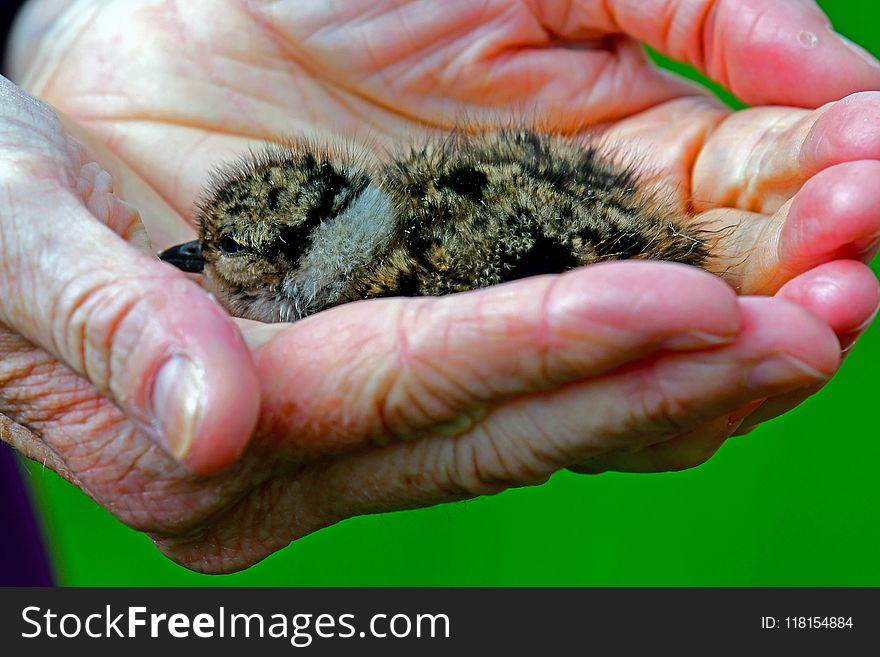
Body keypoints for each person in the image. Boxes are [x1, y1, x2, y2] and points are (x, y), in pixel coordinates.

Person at [1, 0, 879, 574]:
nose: (202, 262)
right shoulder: (393, 212)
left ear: (301, 263)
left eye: (233, 259)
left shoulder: (391, 274)